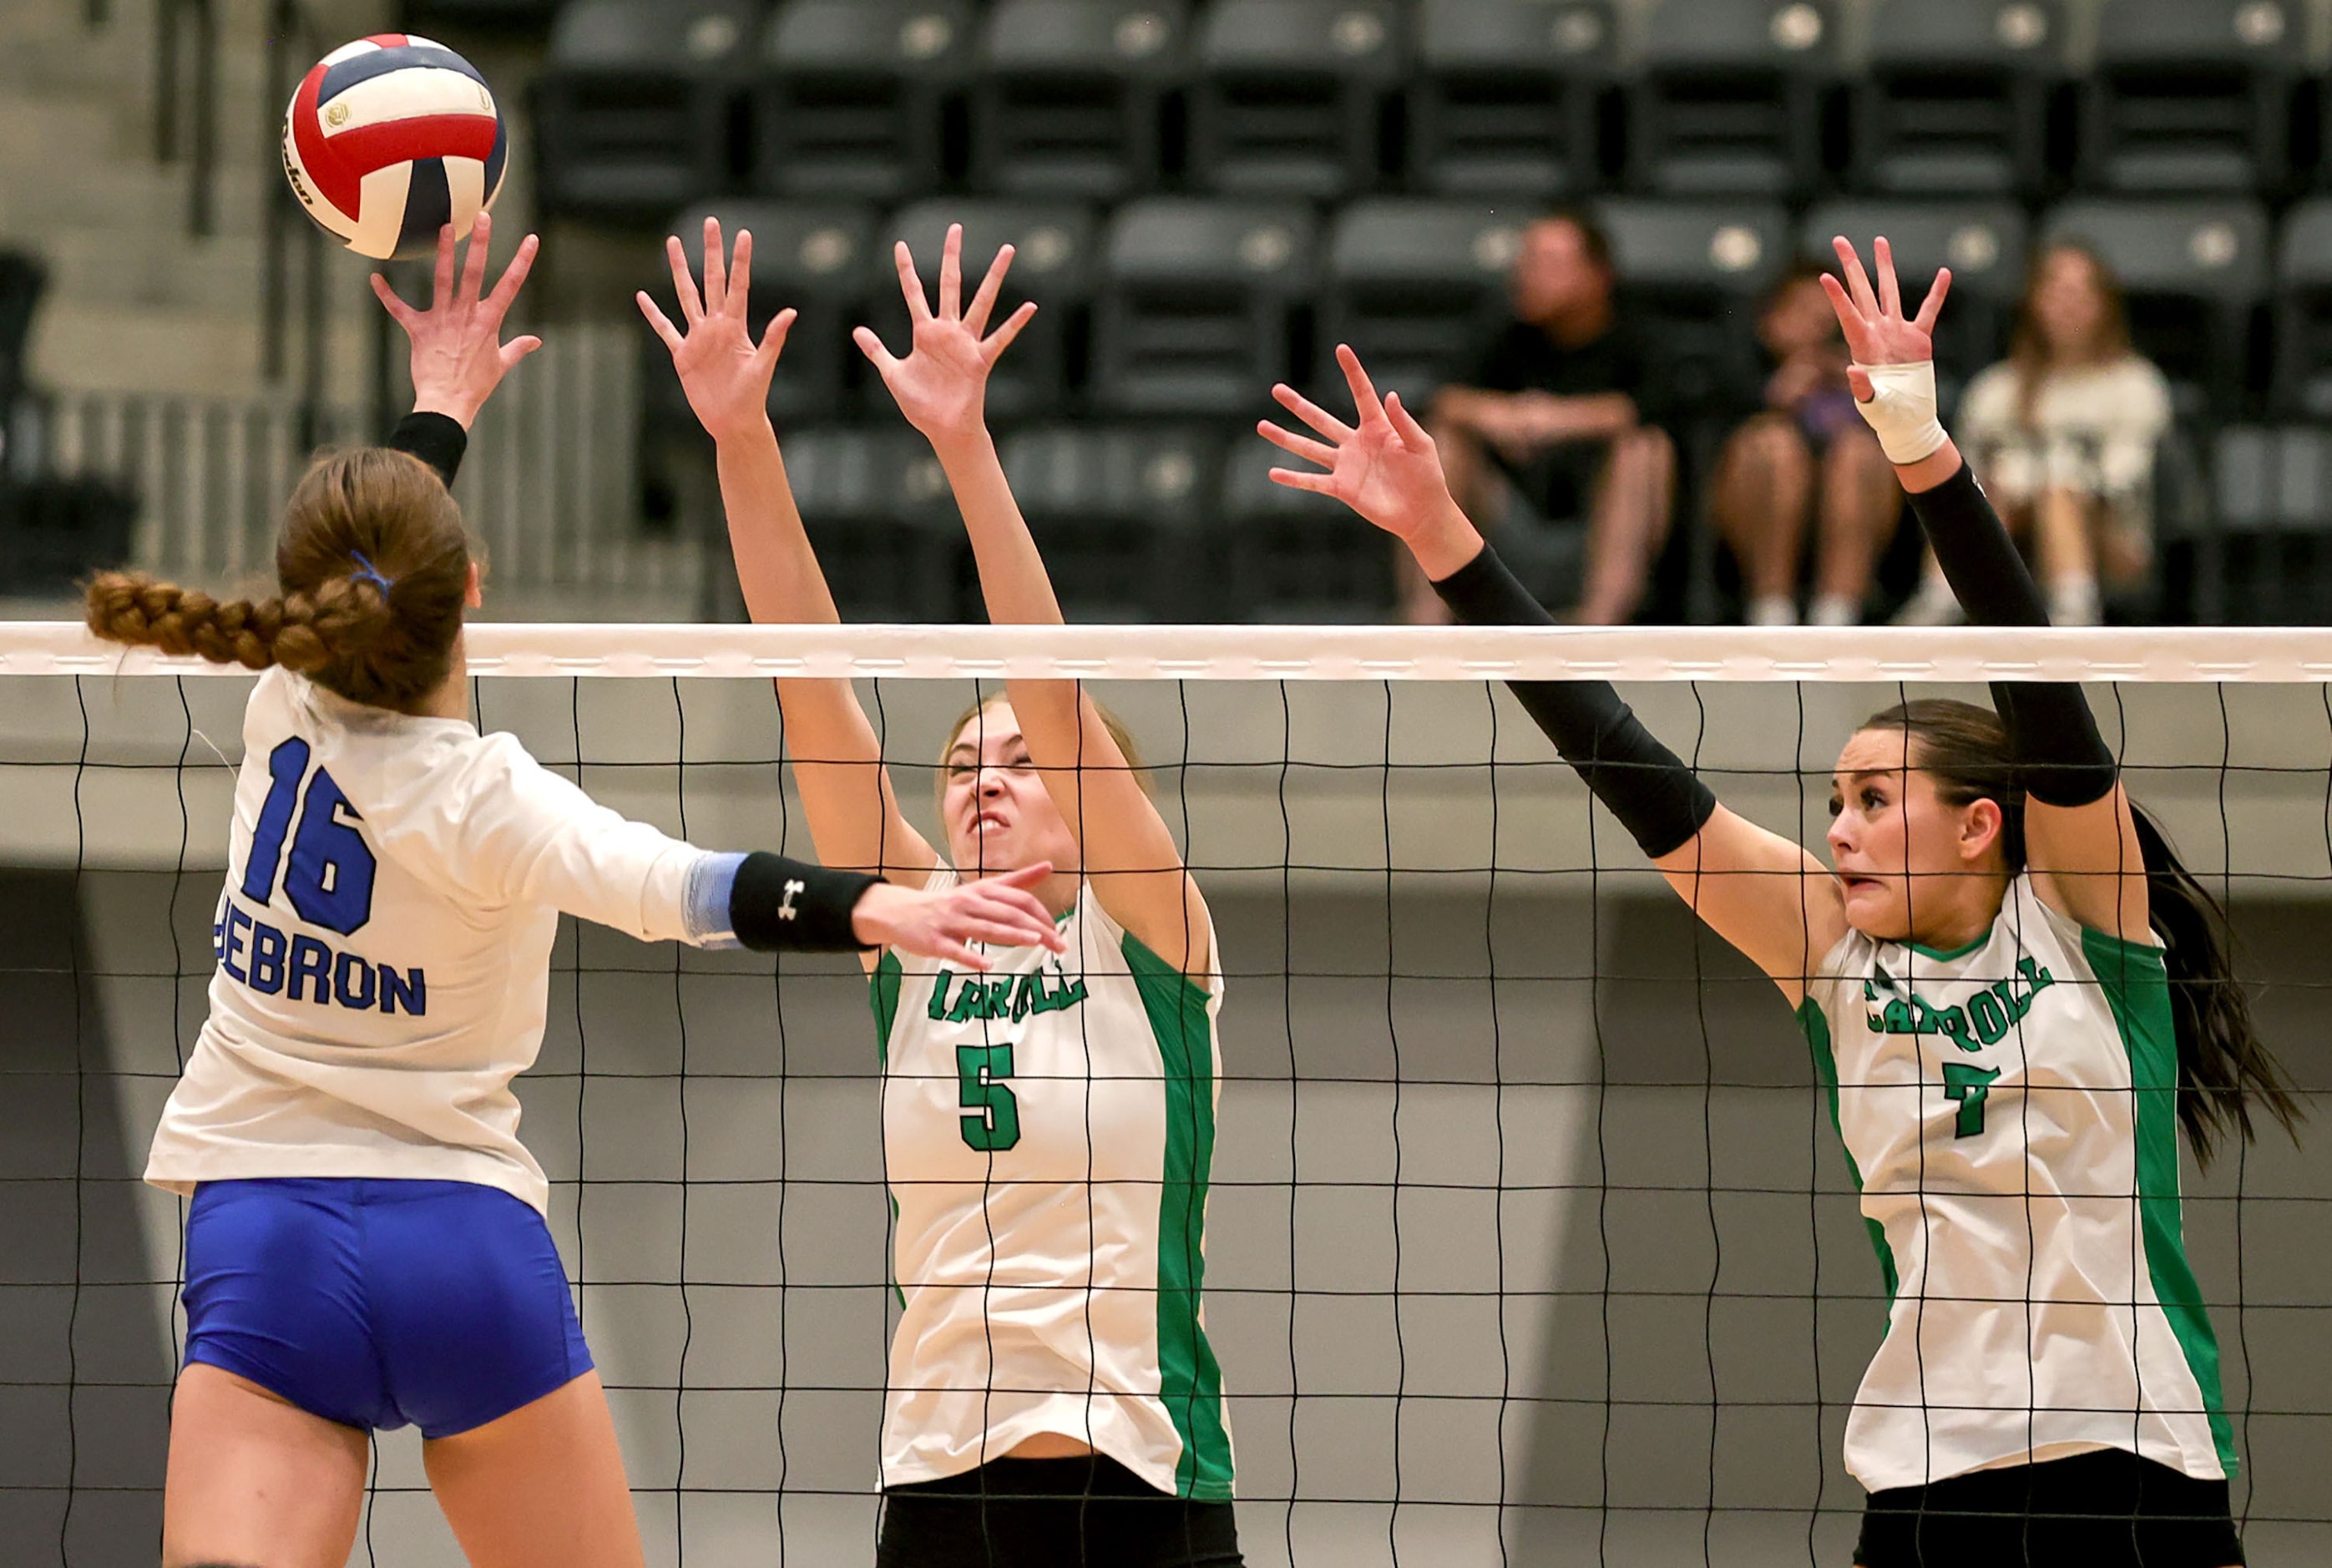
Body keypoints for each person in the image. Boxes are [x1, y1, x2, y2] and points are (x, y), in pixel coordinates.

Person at [1259, 237, 2296, 1568]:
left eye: (1873, 797)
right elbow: (1623, 758)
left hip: (2141, 1460)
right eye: (1833, 801)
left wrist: (1919, 444)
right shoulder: (1825, 948)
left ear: (1983, 821)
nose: (1838, 829)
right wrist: (1444, 538)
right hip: (1929, 1474)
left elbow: (2044, 693)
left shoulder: (2086, 918)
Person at [100, 215, 1065, 1568]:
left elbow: (371, 551)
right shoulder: (486, 793)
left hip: (265, 1234)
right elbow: (687, 886)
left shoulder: (281, 706)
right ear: (475, 593)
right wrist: (878, 905)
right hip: (461, 1247)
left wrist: (440, 402)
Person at [642, 220, 1242, 1567]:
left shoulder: (1143, 928)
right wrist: (740, 438)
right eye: (962, 761)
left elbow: (1050, 682)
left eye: (1019, 764)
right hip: (936, 1475)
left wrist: (962, 445)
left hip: (1138, 1469)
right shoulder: (903, 926)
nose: (985, 777)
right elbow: (807, 678)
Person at [1421, 208, 1676, 626]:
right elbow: (1442, 396)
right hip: (1503, 522)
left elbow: (1655, 405)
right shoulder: (1506, 326)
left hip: (1604, 523)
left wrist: (1557, 419)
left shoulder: (1635, 334)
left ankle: (1597, 631)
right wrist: (1502, 415)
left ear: (1598, 276)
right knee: (1441, 443)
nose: (1527, 273)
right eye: (1526, 260)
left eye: (1548, 263)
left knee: (1643, 447)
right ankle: (1424, 628)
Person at [1897, 240, 2173, 626]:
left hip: (2113, 538)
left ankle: (2073, 617)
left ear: (2105, 304)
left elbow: (2125, 481)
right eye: (2056, 291)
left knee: (2059, 486)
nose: (2068, 304)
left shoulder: (2135, 384)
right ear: (2034, 302)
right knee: (1984, 492)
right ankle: (1938, 603)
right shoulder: (1996, 389)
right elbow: (1961, 482)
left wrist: (2048, 475)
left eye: (2081, 292)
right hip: (2010, 535)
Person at [1709, 259, 1902, 626]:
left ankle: (1837, 617)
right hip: (1750, 521)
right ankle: (1771, 613)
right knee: (1775, 446)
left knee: (1858, 452)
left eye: (1828, 315)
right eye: (1802, 311)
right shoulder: (1740, 367)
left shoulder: (1864, 371)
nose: (1817, 324)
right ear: (1769, 317)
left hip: (1857, 517)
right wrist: (1775, 397)